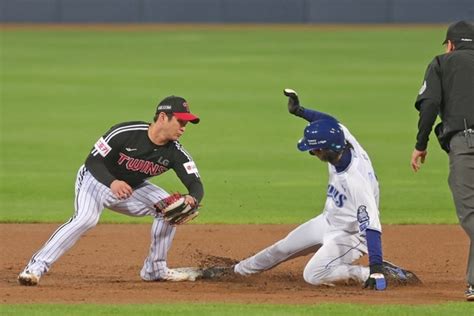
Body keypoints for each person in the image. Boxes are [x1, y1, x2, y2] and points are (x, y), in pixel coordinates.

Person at [204, 89, 420, 289]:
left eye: (314, 149)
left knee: (313, 275)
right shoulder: (341, 137)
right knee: (281, 248)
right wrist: (300, 111)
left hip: (350, 236)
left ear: (328, 148)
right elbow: (327, 121)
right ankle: (235, 272)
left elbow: (371, 227)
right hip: (327, 221)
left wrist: (376, 271)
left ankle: (376, 273)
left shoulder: (356, 180)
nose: (312, 153)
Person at [18, 95, 204, 285]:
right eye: (180, 121)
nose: (183, 127)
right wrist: (112, 182)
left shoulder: (176, 152)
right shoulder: (126, 133)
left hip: (132, 189)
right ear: (163, 117)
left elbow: (195, 184)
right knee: (86, 218)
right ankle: (34, 268)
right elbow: (93, 161)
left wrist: (193, 198)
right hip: (97, 180)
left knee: (170, 208)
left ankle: (155, 269)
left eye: (187, 123)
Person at [410, 20, 474, 301]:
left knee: (470, 212)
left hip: (466, 142)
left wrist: (420, 144)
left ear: (450, 44)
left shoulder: (441, 62)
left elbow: (430, 104)